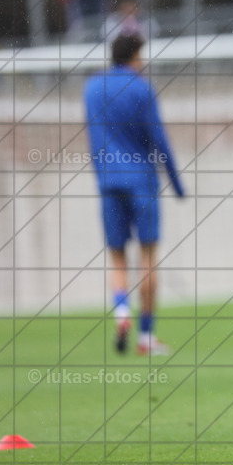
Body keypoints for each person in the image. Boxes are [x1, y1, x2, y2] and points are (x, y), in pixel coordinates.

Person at [84, 33, 185, 356]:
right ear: (135, 55)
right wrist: (177, 183)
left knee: (117, 258)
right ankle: (145, 337)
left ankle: (121, 313)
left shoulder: (92, 89)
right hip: (141, 182)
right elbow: (159, 139)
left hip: (108, 183)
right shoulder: (141, 88)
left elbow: (93, 136)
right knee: (148, 257)